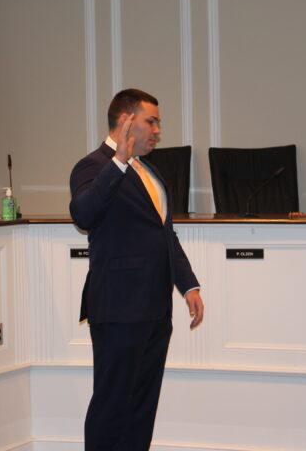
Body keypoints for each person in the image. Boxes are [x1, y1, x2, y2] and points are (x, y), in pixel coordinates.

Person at [69, 88, 204, 450]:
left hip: (155, 310)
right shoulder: (94, 166)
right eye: (152, 121)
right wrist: (118, 162)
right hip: (118, 309)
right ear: (125, 120)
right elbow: (83, 214)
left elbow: (164, 235)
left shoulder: (151, 171)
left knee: (141, 408)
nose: (158, 130)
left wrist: (188, 285)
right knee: (112, 406)